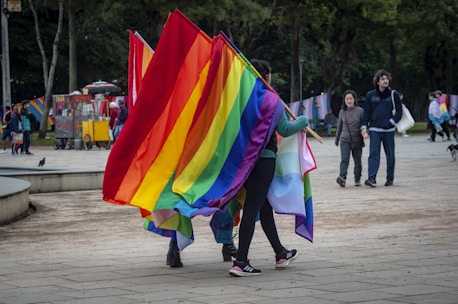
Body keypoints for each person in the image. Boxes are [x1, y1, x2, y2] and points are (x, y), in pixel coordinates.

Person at [229, 59, 308, 277]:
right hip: (264, 162)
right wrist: (303, 120)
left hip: (246, 163)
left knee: (264, 209)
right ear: (267, 77)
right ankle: (241, 261)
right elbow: (285, 127)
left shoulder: (242, 100)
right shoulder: (272, 101)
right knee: (253, 209)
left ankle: (281, 254)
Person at [361, 70, 402, 187]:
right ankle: (371, 178)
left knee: (390, 154)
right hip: (374, 129)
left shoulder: (394, 94)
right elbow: (366, 112)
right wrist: (364, 127)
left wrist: (392, 121)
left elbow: (399, 111)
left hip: (388, 130)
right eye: (383, 79)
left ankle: (390, 178)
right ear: (377, 81)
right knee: (373, 153)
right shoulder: (370, 95)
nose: (385, 81)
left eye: (387, 79)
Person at [335, 90, 364, 187]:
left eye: (351, 98)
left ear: (354, 99)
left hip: (357, 140)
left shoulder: (360, 111)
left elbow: (363, 125)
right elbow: (339, 126)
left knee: (358, 161)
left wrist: (365, 133)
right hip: (345, 139)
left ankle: (357, 178)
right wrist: (337, 139)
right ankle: (342, 178)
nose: (349, 100)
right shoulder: (342, 112)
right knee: (345, 159)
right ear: (344, 100)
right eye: (347, 99)